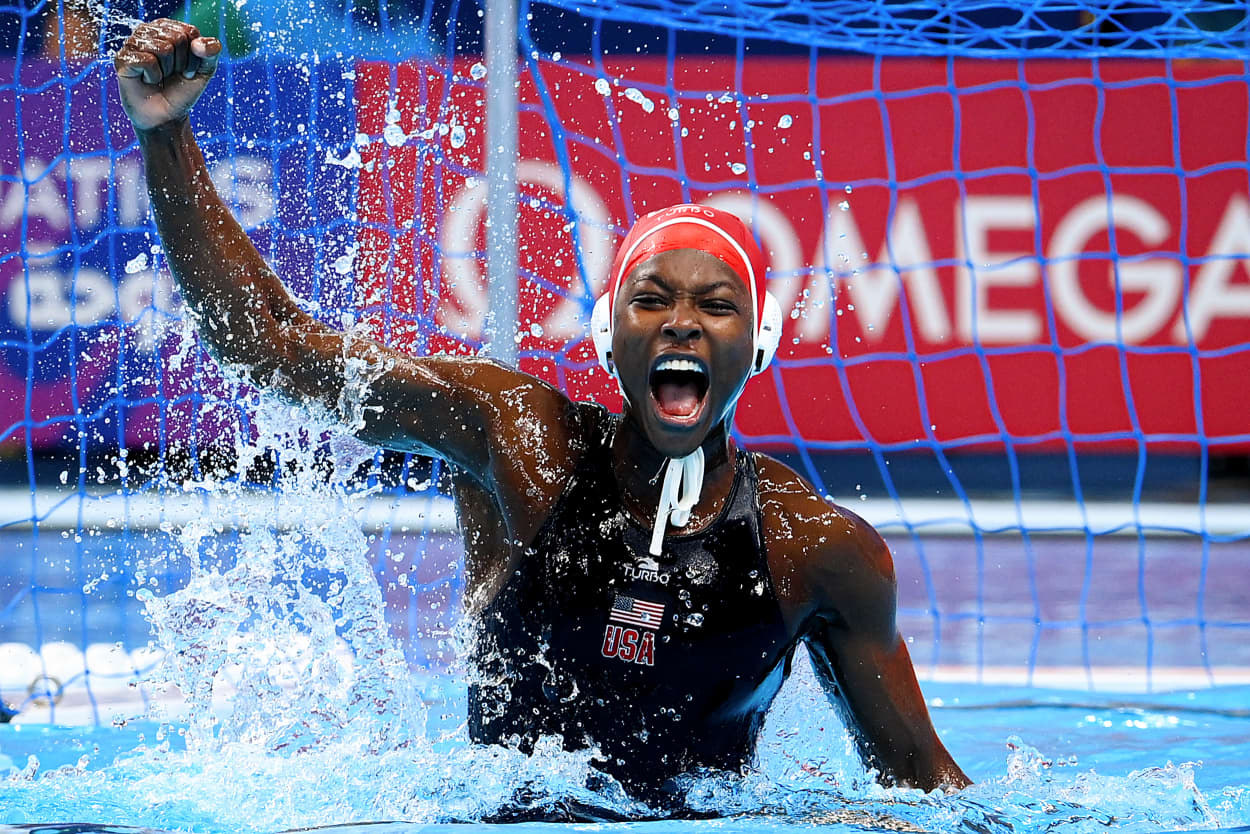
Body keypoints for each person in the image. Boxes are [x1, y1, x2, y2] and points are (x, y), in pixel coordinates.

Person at [114, 18, 970, 817]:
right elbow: (273, 348)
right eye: (651, 300)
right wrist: (164, 135)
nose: (681, 323)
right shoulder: (520, 442)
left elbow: (928, 797)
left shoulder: (816, 550)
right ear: (608, 336)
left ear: (759, 344)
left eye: (716, 305)